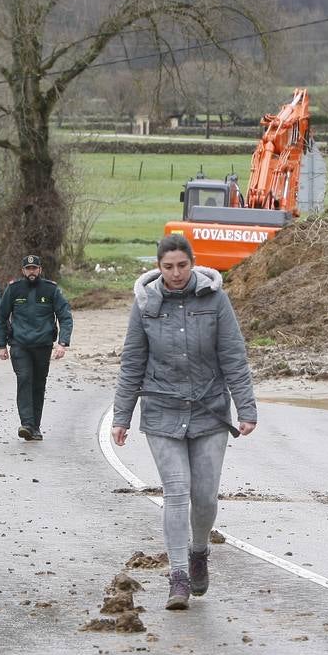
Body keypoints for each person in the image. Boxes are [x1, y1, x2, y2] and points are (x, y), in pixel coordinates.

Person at [110, 234, 257, 610]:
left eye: (182, 265)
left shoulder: (215, 300)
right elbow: (132, 363)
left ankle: (198, 551)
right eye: (168, 267)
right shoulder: (145, 305)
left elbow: (233, 356)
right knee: (176, 491)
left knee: (205, 497)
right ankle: (178, 576)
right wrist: (121, 416)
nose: (176, 274)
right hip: (162, 410)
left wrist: (246, 407)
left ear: (193, 264)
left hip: (209, 410)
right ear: (158, 268)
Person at [0, 254, 73, 441]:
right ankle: (27, 424)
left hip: (43, 345)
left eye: (34, 268)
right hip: (19, 345)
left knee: (38, 384)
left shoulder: (51, 290)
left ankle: (35, 427)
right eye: (28, 269)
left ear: (40, 270)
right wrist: (1, 344)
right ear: (23, 271)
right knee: (24, 379)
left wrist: (63, 342)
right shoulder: (14, 290)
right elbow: (1, 316)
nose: (31, 272)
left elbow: (65, 316)